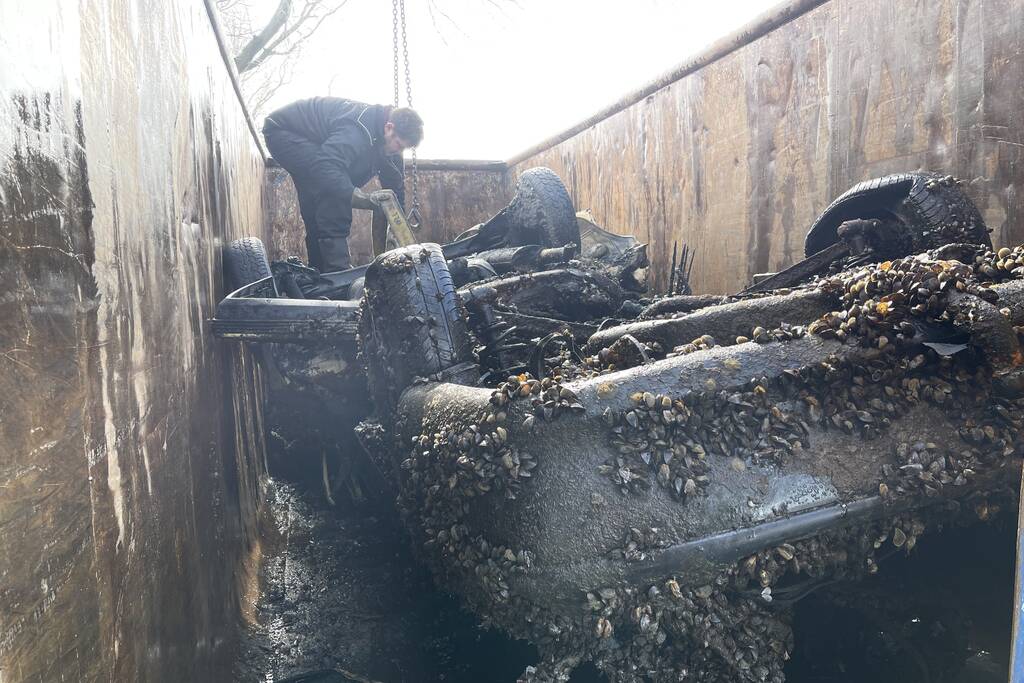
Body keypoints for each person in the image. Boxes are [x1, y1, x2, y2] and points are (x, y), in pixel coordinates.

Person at [263, 97, 423, 272]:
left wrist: (397, 224)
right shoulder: (358, 129)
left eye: (403, 149)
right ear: (389, 127)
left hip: (317, 144)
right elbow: (327, 166)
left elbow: (395, 187)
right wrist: (362, 199)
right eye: (399, 145)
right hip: (283, 133)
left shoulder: (389, 142)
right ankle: (336, 271)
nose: (398, 151)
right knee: (333, 190)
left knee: (319, 200)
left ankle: (319, 272)